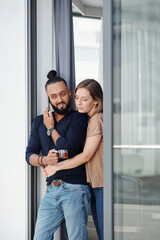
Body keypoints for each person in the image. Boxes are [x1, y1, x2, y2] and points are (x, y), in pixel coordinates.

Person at [25, 70, 91, 240]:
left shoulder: (79, 118)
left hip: (75, 188)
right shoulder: (39, 121)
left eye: (62, 94)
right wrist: (44, 160)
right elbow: (29, 155)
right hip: (51, 189)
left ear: (69, 93)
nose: (59, 100)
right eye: (54, 96)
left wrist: (51, 129)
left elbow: (69, 149)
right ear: (49, 99)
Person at [43, 79, 103, 240]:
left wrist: (55, 167)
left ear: (96, 102)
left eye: (85, 99)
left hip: (102, 186)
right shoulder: (88, 120)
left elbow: (85, 156)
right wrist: (46, 160)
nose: (79, 103)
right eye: (77, 98)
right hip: (94, 185)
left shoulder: (96, 120)